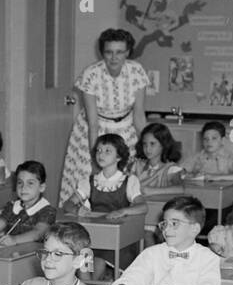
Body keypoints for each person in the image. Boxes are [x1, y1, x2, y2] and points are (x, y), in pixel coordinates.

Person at [59, 28, 150, 203]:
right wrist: (96, 160)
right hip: (94, 132)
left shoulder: (137, 71)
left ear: (128, 52)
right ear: (102, 52)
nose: (114, 57)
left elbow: (139, 115)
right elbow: (93, 124)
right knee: (90, 182)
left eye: (119, 52)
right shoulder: (91, 74)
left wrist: (147, 149)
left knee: (127, 181)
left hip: (126, 129)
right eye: (109, 52)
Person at [65, 133, 145, 218]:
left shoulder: (129, 181)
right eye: (99, 150)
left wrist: (122, 212)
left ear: (119, 157)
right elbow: (68, 204)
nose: (101, 155)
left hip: (119, 229)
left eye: (107, 151)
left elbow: (143, 207)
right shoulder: (89, 181)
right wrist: (77, 210)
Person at [129, 122, 185, 193]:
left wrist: (151, 191)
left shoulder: (171, 169)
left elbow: (181, 189)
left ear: (163, 144)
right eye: (144, 144)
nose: (147, 148)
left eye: (152, 144)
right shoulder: (137, 165)